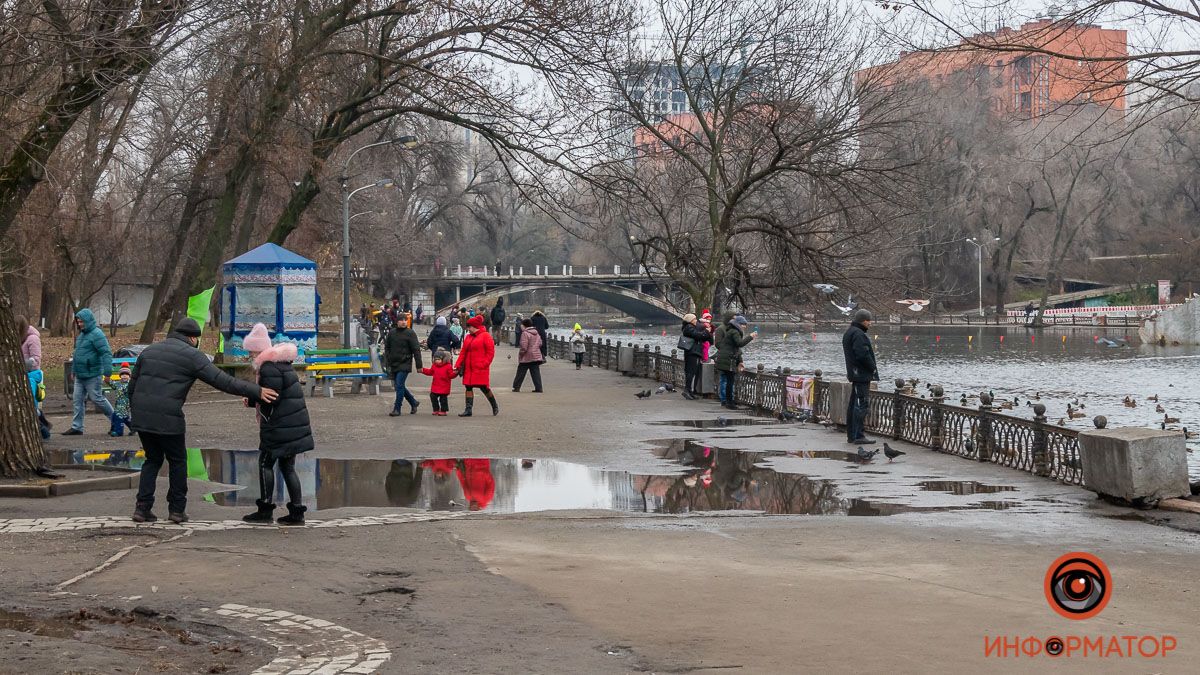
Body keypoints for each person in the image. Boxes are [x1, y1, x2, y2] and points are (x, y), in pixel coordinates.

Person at [128, 318, 277, 523]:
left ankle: (142, 508)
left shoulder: (149, 351)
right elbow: (223, 381)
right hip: (169, 418)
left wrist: (137, 412)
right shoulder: (192, 356)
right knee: (178, 462)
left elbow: (131, 387)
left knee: (152, 460)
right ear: (192, 338)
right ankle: (177, 510)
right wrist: (257, 391)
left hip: (142, 416)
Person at [240, 323, 314, 525]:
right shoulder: (281, 363)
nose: (249, 355)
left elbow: (271, 396)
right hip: (292, 423)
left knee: (266, 463)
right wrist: (254, 400)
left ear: (259, 348)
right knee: (287, 467)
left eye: (251, 350)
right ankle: (297, 513)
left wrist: (253, 398)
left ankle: (265, 510)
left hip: (279, 425)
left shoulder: (268, 367)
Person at [63, 308, 114, 435]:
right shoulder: (81, 335)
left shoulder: (97, 334)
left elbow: (106, 353)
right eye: (78, 322)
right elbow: (77, 354)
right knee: (77, 400)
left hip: (93, 374)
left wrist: (108, 373)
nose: (80, 324)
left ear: (88, 321)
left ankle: (117, 421)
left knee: (97, 399)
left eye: (82, 322)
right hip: (80, 375)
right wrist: (73, 370)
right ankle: (77, 427)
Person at [842, 308, 879, 445]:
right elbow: (862, 354)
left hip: (855, 374)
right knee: (861, 404)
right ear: (863, 321)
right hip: (861, 375)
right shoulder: (859, 334)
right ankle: (858, 435)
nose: (870, 323)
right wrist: (873, 368)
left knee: (853, 405)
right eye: (869, 321)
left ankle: (852, 435)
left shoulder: (850, 332)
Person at [454, 315, 498, 416]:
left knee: (484, 388)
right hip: (469, 368)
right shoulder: (468, 337)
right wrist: (458, 364)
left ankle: (494, 405)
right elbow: (463, 352)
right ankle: (468, 409)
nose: (468, 329)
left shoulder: (486, 336)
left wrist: (484, 364)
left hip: (480, 367)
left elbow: (490, 353)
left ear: (474, 326)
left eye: (469, 327)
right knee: (468, 387)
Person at [384, 310, 423, 416]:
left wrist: (419, 365)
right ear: (397, 322)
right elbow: (387, 347)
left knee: (399, 385)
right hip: (394, 363)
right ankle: (413, 402)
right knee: (398, 386)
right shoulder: (392, 332)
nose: (403, 322)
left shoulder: (410, 333)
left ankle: (397, 408)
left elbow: (416, 350)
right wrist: (387, 360)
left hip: (405, 363)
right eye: (401, 320)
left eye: (405, 320)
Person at [714, 315, 756, 410]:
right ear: (738, 324)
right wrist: (750, 337)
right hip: (728, 360)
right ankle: (729, 402)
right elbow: (739, 344)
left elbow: (736, 349)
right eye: (743, 324)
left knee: (728, 380)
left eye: (745, 325)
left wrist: (740, 361)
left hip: (725, 358)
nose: (744, 326)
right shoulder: (735, 332)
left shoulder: (731, 331)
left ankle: (727, 401)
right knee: (730, 381)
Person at [679, 313, 709, 400]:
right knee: (691, 372)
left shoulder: (689, 327)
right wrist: (706, 332)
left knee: (692, 372)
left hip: (693, 352)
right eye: (694, 319)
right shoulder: (689, 328)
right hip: (692, 352)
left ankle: (690, 391)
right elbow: (698, 335)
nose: (696, 321)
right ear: (690, 321)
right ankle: (687, 390)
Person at [421, 348, 457, 416]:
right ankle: (436, 409)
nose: (437, 361)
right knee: (433, 397)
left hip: (444, 386)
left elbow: (451, 375)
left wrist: (456, 373)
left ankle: (443, 410)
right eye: (435, 359)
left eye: (438, 359)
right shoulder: (434, 366)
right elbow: (430, 372)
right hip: (435, 386)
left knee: (443, 399)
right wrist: (422, 370)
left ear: (443, 359)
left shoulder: (448, 366)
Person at [512, 318, 544, 393]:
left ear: (524, 325)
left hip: (526, 356)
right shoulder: (536, 333)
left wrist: (521, 354)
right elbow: (540, 343)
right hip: (536, 356)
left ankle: (516, 387)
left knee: (521, 372)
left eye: (521, 325)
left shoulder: (525, 333)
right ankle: (539, 388)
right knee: (535, 373)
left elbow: (524, 346)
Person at [25, 358, 49, 439]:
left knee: (36, 422)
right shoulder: (34, 379)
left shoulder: (30, 380)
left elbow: (30, 395)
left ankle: (45, 434)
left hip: (30, 407)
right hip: (34, 406)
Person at [108, 366, 132, 436]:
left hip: (126, 404)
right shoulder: (118, 384)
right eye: (122, 374)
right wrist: (107, 375)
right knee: (117, 416)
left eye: (126, 374)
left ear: (129, 376)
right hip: (118, 404)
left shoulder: (130, 384)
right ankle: (133, 427)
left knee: (119, 416)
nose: (124, 376)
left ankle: (119, 431)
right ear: (120, 376)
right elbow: (110, 382)